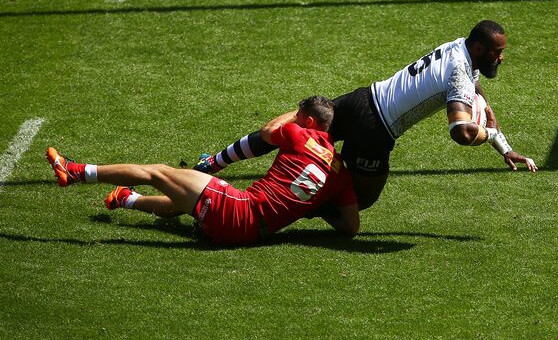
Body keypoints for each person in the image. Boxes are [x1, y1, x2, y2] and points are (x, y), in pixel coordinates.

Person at [194, 20, 538, 210]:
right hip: (376, 129)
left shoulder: (459, 47)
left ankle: (212, 163)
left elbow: (474, 87)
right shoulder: (461, 71)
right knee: (360, 200)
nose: (501, 57)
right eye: (498, 52)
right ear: (478, 48)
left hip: (363, 98)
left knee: (285, 131)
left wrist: (503, 145)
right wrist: (490, 134)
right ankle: (278, 203)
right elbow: (461, 132)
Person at [46, 96, 359, 245]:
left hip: (238, 211)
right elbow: (351, 226)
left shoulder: (299, 135)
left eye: (300, 116)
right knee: (188, 197)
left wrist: (297, 113)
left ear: (309, 122)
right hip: (251, 233)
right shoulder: (340, 174)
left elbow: (267, 131)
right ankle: (126, 199)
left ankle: (75, 172)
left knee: (158, 172)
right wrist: (311, 207)